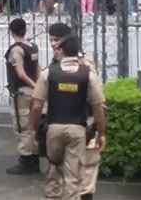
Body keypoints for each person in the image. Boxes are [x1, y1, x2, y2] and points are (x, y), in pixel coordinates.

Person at [30, 32, 106, 200]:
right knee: (73, 178)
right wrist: (101, 133)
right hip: (78, 130)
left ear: (62, 51)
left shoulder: (48, 73)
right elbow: (99, 107)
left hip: (53, 129)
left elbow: (36, 105)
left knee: (53, 169)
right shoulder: (88, 74)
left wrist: (34, 129)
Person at [4, 18, 41, 175]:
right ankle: (34, 159)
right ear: (25, 30)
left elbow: (20, 73)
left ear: (11, 32)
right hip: (34, 93)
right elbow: (38, 69)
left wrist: (33, 86)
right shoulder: (32, 47)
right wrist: (39, 87)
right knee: (34, 126)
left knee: (23, 126)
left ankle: (26, 160)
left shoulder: (16, 50)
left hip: (22, 94)